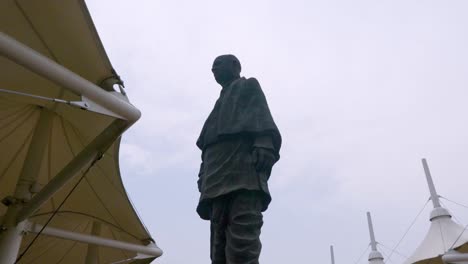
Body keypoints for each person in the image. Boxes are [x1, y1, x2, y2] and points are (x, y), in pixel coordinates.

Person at [196, 54, 282, 264]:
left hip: (242, 174)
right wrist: (203, 172)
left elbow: (262, 118)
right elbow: (207, 145)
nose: (213, 69)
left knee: (242, 244)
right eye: (212, 66)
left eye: (218, 64)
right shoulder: (217, 105)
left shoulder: (248, 87)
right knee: (218, 248)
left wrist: (264, 143)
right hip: (216, 180)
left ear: (235, 66)